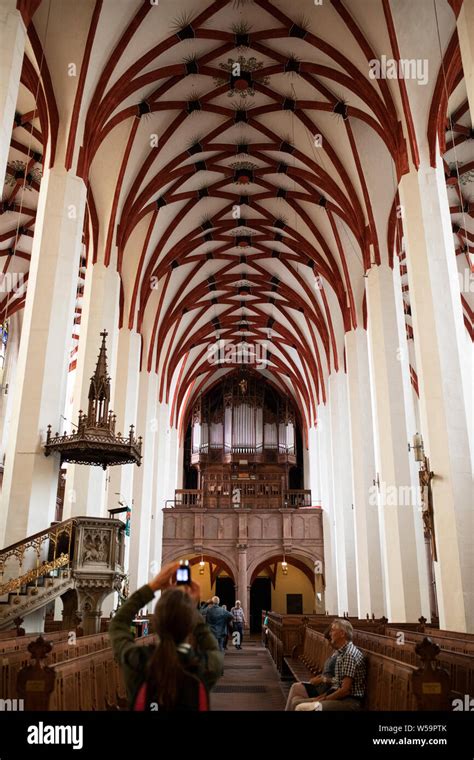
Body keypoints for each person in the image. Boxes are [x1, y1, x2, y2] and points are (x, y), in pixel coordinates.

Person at [109, 561, 223, 710]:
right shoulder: (205, 666)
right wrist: (191, 606)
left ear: (156, 623)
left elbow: (118, 623)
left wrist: (153, 586)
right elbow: (212, 645)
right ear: (191, 625)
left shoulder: (138, 661)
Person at [295, 619, 366, 712]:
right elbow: (337, 684)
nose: (330, 633)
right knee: (296, 703)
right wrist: (323, 696)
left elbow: (345, 690)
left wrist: (324, 699)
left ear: (342, 633)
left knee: (301, 708)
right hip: (339, 697)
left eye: (333, 630)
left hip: (349, 702)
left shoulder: (349, 654)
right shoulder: (342, 652)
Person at [285, 628, 336, 710]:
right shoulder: (336, 653)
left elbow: (338, 680)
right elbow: (328, 672)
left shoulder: (341, 655)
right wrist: (319, 677)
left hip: (323, 689)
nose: (329, 644)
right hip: (321, 684)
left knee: (295, 688)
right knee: (296, 693)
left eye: (330, 640)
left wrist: (322, 680)